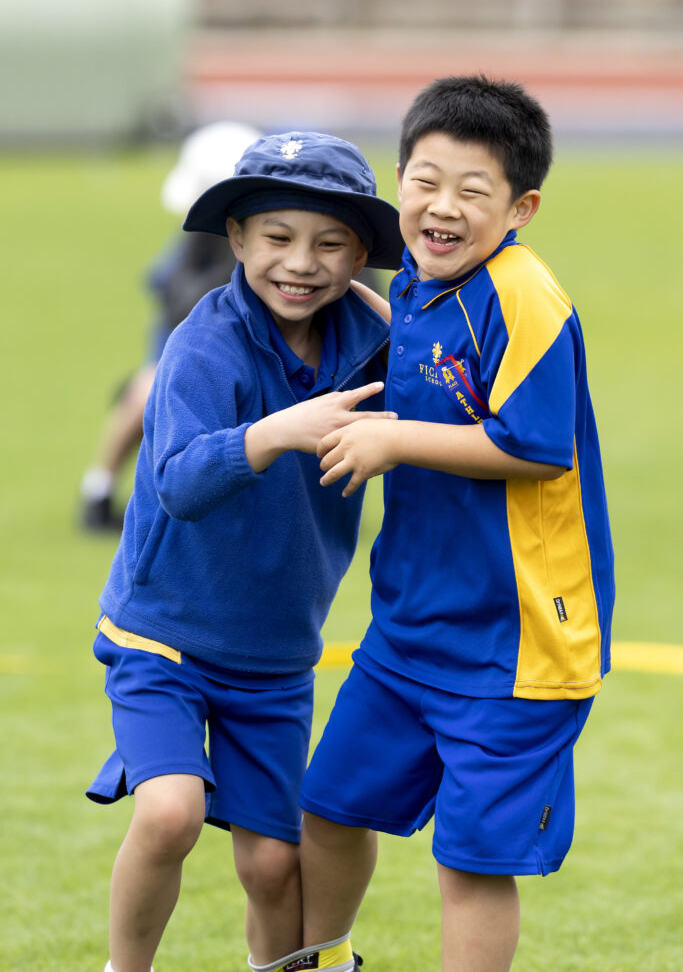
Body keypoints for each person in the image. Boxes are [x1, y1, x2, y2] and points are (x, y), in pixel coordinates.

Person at [296, 76, 616, 972]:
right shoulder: (421, 287)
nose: (441, 208)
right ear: (397, 180)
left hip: (520, 642)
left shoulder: (524, 295)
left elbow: (533, 446)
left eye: (471, 192)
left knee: (469, 863)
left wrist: (395, 438)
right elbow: (429, 354)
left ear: (520, 208)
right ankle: (324, 961)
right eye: (423, 181)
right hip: (409, 626)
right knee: (326, 808)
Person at [85, 129, 405, 972]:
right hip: (165, 632)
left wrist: (402, 308)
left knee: (273, 864)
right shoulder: (205, 342)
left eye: (330, 243)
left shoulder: (370, 347)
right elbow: (183, 483)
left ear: (361, 253)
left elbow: (463, 376)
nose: (300, 263)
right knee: (168, 815)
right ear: (234, 238)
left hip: (273, 654)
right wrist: (275, 433)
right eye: (277, 237)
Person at [79, 121, 262, 531]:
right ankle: (99, 490)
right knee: (149, 388)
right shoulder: (195, 242)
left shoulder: (258, 243)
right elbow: (170, 295)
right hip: (184, 343)